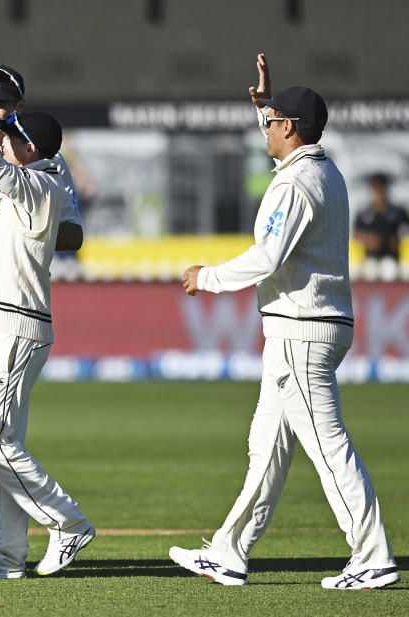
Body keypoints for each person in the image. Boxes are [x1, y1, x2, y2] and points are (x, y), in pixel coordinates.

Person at [172, 54, 400, 590]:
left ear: (291, 128)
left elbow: (267, 256)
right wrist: (264, 108)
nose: (266, 131)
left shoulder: (296, 184)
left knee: (326, 445)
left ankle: (372, 557)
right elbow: (282, 154)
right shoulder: (325, 171)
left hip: (301, 329)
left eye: (273, 122)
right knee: (266, 447)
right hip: (311, 326)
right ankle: (229, 552)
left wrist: (207, 278)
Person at [0, 80, 94, 580]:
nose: (3, 139)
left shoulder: (39, 184)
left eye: (11, 136)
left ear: (30, 146)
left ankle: (67, 522)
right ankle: (5, 556)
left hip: (15, 327)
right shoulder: (34, 177)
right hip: (3, 321)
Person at [354, 172, 408, 267]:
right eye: (376, 189)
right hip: (370, 259)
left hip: (393, 258)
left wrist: (398, 241)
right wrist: (369, 240)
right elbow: (356, 235)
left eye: (381, 188)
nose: (378, 192)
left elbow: (405, 233)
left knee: (389, 268)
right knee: (371, 269)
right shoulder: (364, 213)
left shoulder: (398, 212)